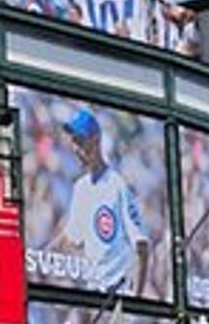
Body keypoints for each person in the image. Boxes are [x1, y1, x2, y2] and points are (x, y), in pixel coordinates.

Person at [45, 107, 151, 296]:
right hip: (94, 296)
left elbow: (142, 247)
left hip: (118, 295)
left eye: (80, 141)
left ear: (95, 140)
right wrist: (40, 256)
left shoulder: (118, 185)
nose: (76, 148)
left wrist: (136, 301)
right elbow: (71, 238)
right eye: (73, 142)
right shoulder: (81, 187)